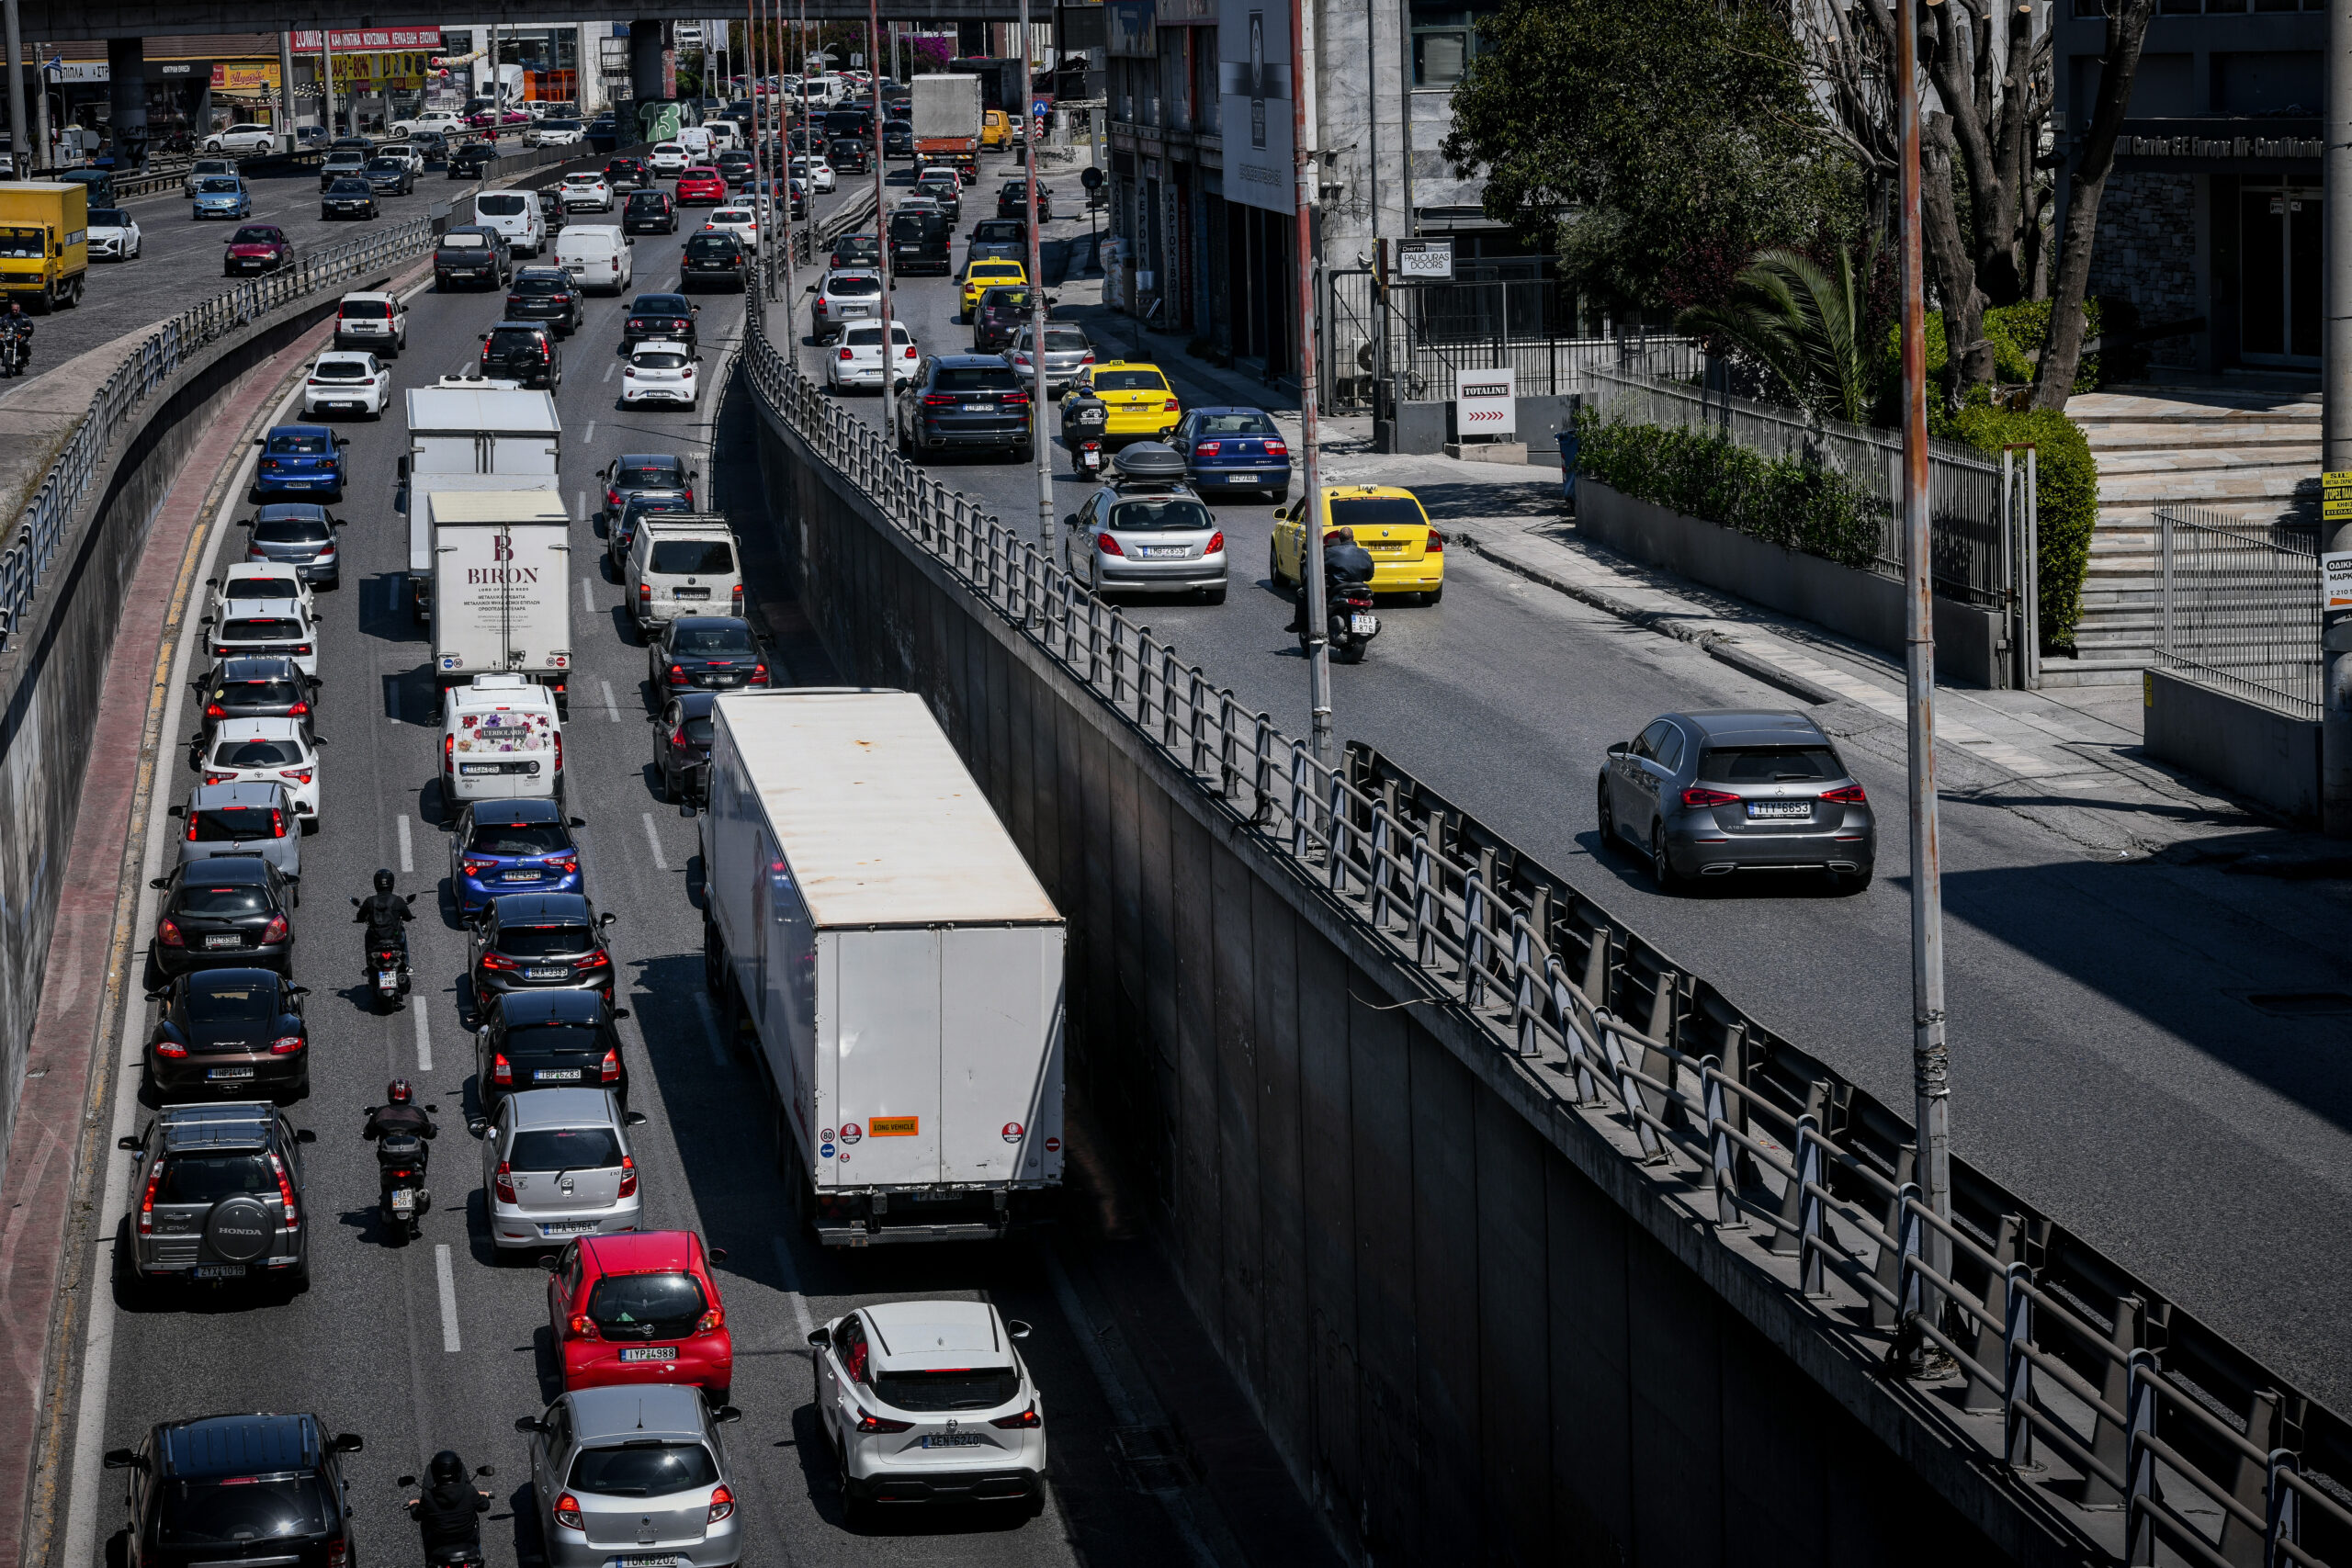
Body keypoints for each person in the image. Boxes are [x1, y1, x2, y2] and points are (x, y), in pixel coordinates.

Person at [407, 1450, 489, 1562]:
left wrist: (414, 1505)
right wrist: (484, 1496)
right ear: (458, 1471)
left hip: (439, 1542)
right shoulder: (469, 1491)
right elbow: (484, 1506)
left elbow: (417, 1515)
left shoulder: (429, 1496)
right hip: (468, 1541)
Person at [355, 868, 413, 971]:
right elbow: (408, 917)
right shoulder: (397, 900)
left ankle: (369, 965)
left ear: (376, 883)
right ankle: (405, 964)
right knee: (402, 931)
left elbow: (360, 917)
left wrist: (361, 919)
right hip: (394, 938)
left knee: (368, 934)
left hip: (376, 940)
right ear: (392, 883)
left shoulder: (370, 901)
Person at [364, 1079, 437, 1146]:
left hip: (388, 1155)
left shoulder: (381, 1111)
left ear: (390, 1093)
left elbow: (369, 1134)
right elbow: (429, 1133)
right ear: (409, 1093)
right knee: (424, 1145)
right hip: (412, 1154)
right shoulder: (417, 1111)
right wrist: (433, 1127)